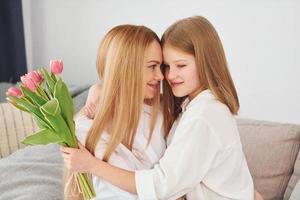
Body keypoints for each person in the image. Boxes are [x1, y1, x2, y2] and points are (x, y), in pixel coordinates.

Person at [62, 16, 262, 199]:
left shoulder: (203, 116)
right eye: (165, 66)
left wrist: (92, 166)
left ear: (205, 63)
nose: (167, 76)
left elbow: (161, 185)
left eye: (181, 66)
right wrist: (99, 90)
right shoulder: (190, 106)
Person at [62, 24, 167, 199]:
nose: (161, 76)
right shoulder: (87, 126)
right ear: (126, 68)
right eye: (152, 66)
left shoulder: (163, 112)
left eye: (161, 66)